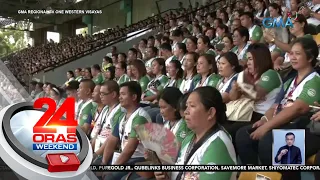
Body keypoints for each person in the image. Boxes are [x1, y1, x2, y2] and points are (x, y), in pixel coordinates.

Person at [236, 38, 320, 179]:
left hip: (306, 128)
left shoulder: (315, 80)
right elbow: (276, 105)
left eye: (297, 54)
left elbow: (298, 109)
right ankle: (255, 175)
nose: (292, 57)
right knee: (243, 135)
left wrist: (267, 127)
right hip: (285, 125)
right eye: (291, 53)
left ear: (310, 57)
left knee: (270, 143)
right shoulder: (289, 81)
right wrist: (264, 119)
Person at [154, 87, 237, 180]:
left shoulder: (218, 147)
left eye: (192, 106)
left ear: (210, 113)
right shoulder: (189, 138)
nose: (186, 112)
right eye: (186, 106)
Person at [99, 81, 151, 180]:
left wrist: (112, 169)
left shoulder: (140, 117)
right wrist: (104, 163)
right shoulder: (122, 116)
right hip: (126, 158)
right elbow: (112, 140)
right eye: (120, 94)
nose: (120, 97)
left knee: (109, 177)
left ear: (134, 97)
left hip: (139, 159)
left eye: (123, 94)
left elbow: (130, 149)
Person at [92, 81, 123, 165]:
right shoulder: (105, 108)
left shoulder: (120, 111)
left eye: (103, 94)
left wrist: (95, 155)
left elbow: (111, 139)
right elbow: (97, 133)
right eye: (100, 93)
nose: (100, 96)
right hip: (98, 149)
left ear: (113, 94)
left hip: (109, 152)